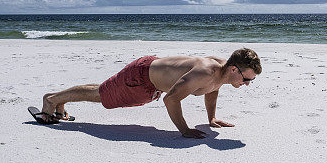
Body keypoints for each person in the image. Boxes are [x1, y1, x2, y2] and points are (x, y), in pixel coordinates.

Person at [28, 48, 261, 138]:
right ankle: (52, 100)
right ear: (234, 68)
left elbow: (213, 90)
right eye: (247, 78)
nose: (248, 83)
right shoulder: (205, 73)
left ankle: (60, 101)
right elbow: (171, 99)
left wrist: (210, 118)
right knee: (103, 95)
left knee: (104, 90)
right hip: (140, 79)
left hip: (149, 76)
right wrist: (185, 130)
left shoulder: (221, 72)